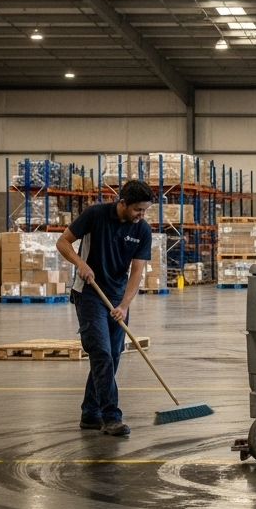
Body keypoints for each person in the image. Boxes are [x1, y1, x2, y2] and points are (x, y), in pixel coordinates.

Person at [56, 179, 154, 437]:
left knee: (112, 355)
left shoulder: (142, 230)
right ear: (123, 203)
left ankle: (90, 413)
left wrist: (124, 305)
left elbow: (137, 271)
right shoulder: (95, 214)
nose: (141, 215)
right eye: (137, 210)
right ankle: (111, 416)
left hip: (118, 297)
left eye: (144, 211)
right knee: (101, 352)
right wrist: (80, 263)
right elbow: (63, 242)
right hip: (89, 293)